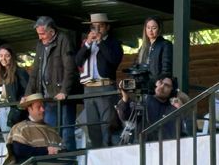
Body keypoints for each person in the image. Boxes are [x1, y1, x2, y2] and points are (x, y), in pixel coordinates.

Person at [75, 13, 124, 150]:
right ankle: (97, 154)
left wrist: (101, 42)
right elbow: (77, 61)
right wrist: (87, 44)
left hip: (105, 86)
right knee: (92, 127)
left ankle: (109, 153)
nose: (97, 30)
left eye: (100, 26)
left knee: (107, 126)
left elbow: (113, 60)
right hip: (89, 88)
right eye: (94, 27)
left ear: (107, 27)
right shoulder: (86, 43)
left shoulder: (113, 43)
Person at [32, 16, 76, 149]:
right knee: (50, 137)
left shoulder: (64, 39)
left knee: (67, 135)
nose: (40, 37)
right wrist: (28, 94)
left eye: (43, 34)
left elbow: (70, 68)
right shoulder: (40, 45)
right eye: (39, 34)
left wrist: (64, 91)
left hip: (62, 98)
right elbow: (35, 71)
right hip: (48, 98)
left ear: (52, 31)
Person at [116, 74, 184, 142]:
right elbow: (125, 116)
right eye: (161, 82)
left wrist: (181, 108)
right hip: (143, 147)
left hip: (166, 148)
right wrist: (125, 97)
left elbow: (183, 131)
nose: (162, 86)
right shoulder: (143, 100)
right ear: (156, 84)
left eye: (167, 85)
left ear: (172, 91)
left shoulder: (173, 109)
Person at [0, 44, 29, 136]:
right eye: (1, 56)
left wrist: (19, 107)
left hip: (13, 110)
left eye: (7, 56)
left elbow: (27, 91)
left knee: (16, 138)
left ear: (12, 57)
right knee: (7, 139)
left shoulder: (20, 72)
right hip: (1, 110)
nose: (3, 59)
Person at [135, 17, 174, 90]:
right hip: (143, 87)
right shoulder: (143, 48)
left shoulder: (165, 44)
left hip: (159, 88)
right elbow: (136, 67)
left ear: (159, 29)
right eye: (148, 27)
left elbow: (166, 71)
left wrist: (154, 82)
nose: (150, 30)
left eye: (154, 28)